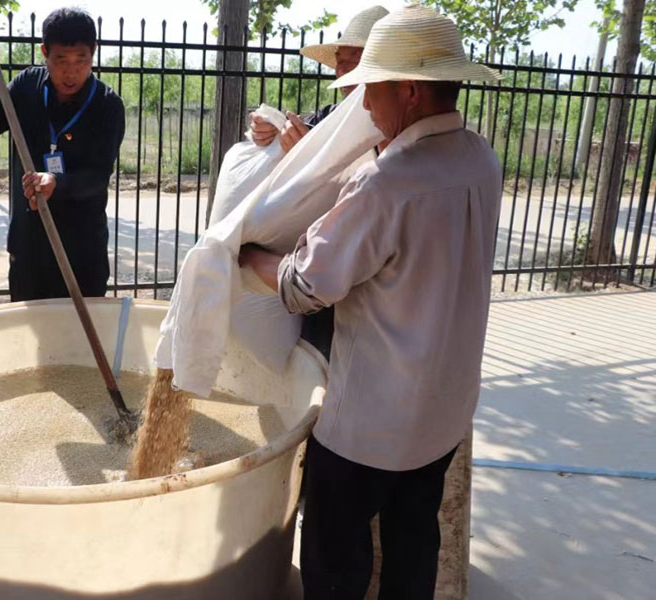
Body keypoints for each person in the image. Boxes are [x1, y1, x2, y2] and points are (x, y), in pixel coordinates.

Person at [239, 6, 503, 598]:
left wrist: (245, 258)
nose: (362, 104)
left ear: (409, 91)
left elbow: (304, 288)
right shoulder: (480, 159)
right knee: (413, 541)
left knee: (336, 555)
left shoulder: (387, 182)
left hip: (370, 425)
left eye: (371, 87)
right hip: (444, 411)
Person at [248, 5, 388, 360]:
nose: (343, 70)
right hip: (317, 290)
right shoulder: (329, 120)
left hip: (367, 299)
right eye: (340, 61)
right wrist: (267, 132)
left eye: (354, 60)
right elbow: (290, 137)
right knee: (314, 367)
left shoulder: (396, 136)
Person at [0, 8, 125, 302]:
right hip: (29, 247)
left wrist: (57, 183)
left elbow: (97, 177)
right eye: (61, 60)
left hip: (82, 251)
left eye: (82, 61)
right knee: (32, 339)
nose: (71, 72)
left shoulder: (108, 106)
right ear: (44, 53)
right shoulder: (27, 87)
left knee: (79, 342)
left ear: (94, 54)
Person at [248, 5, 388, 153]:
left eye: (357, 59)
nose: (342, 70)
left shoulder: (404, 127)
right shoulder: (331, 116)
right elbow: (294, 127)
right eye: (339, 61)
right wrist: (268, 129)